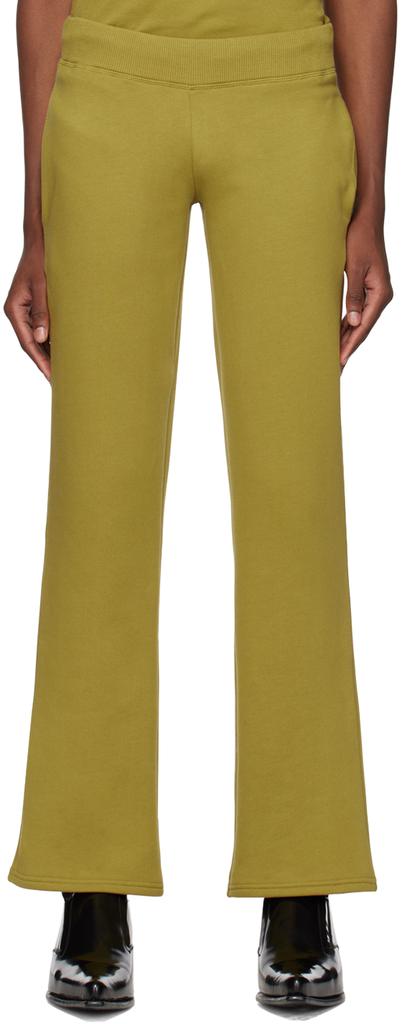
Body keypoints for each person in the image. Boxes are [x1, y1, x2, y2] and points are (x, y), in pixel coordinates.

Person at [4, 0, 395, 1014]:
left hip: (286, 90)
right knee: (96, 504)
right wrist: (35, 220)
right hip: (106, 84)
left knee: (294, 504)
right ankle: (90, 883)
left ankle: (300, 880)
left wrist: (370, 206)